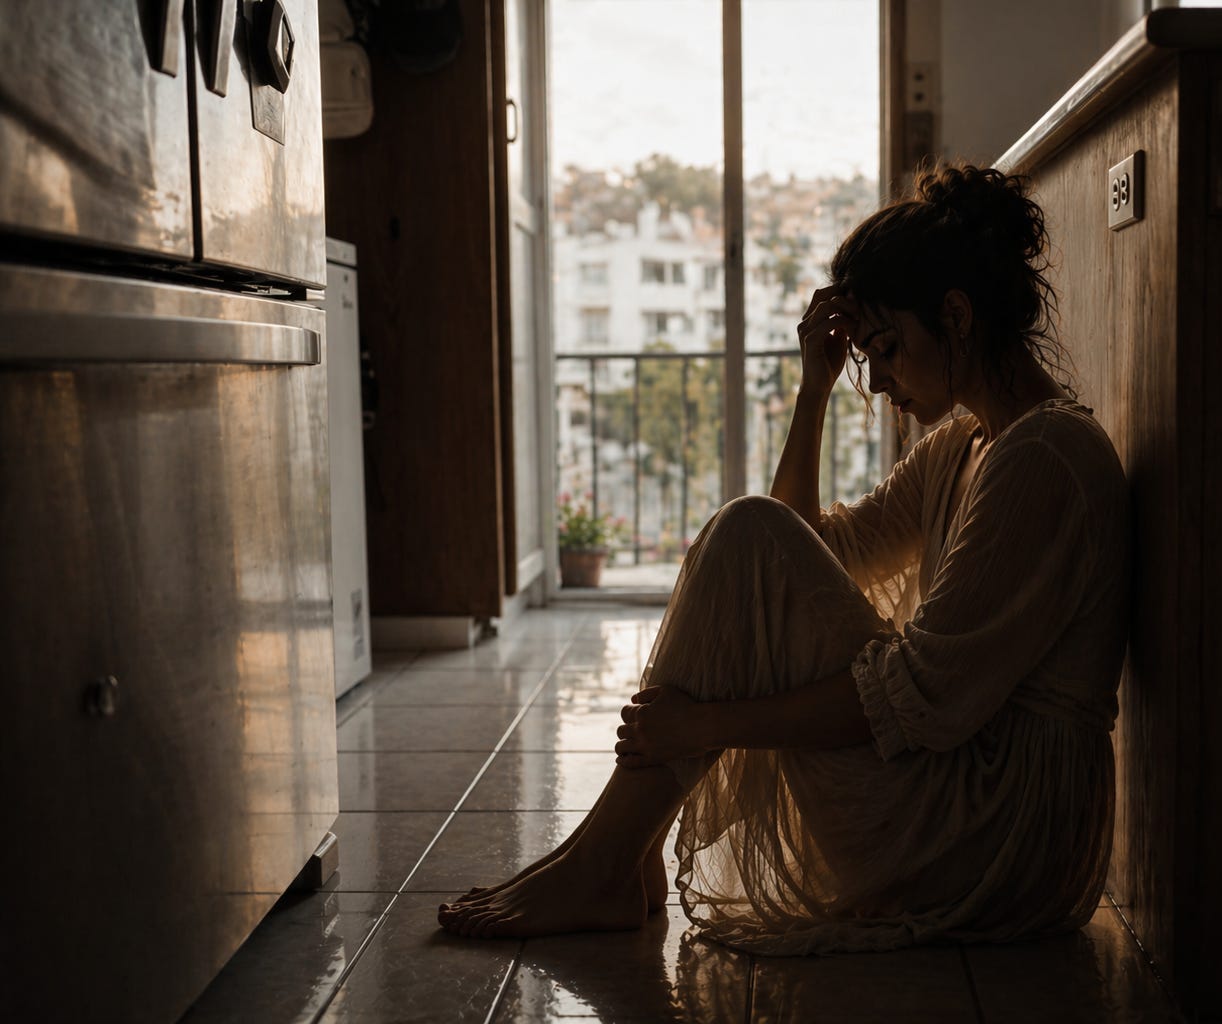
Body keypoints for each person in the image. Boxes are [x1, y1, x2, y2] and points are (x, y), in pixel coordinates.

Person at [438, 164, 1130, 953]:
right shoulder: (966, 443)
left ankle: (604, 861)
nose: (877, 379)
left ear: (957, 317)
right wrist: (813, 391)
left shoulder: (1043, 454)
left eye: (887, 348)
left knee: (747, 532)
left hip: (999, 834)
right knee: (747, 531)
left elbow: (918, 700)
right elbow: (807, 556)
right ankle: (609, 859)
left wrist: (698, 724)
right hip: (970, 792)